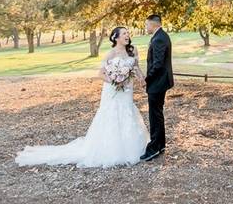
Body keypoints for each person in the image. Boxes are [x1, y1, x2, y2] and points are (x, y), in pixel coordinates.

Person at [14, 26, 149, 168]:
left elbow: (136, 67)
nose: (127, 36)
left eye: (128, 33)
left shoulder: (132, 50)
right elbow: (101, 74)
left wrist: (142, 79)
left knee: (128, 112)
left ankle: (131, 146)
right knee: (112, 114)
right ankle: (112, 150)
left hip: (127, 90)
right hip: (113, 90)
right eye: (124, 34)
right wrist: (115, 81)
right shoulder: (110, 54)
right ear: (115, 37)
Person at [140, 14, 173, 162]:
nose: (146, 27)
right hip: (159, 81)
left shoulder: (159, 38)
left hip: (157, 82)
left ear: (154, 24)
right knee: (157, 114)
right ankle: (160, 144)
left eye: (147, 24)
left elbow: (158, 64)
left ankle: (154, 148)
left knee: (155, 116)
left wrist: (147, 79)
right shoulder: (160, 35)